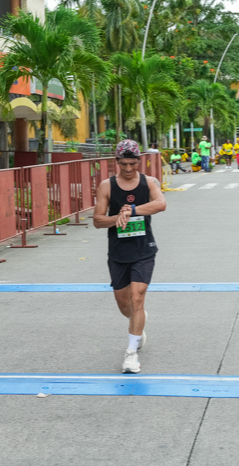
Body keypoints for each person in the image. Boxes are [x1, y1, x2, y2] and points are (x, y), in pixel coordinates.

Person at [93, 140, 167, 374]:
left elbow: (161, 204)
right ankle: (139, 322)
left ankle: (131, 354)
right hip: (118, 252)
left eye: (132, 164)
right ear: (116, 162)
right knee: (125, 305)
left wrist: (132, 210)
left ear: (139, 161)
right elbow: (97, 220)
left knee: (137, 299)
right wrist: (117, 218)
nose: (127, 169)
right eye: (123, 164)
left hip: (144, 249)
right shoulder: (107, 186)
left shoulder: (149, 182)